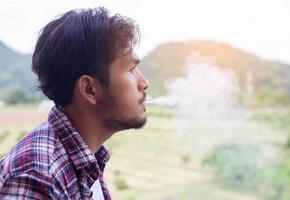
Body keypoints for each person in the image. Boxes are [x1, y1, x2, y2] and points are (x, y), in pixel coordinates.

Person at [0, 7, 149, 200]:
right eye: (131, 69)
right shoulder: (37, 176)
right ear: (89, 89)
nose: (144, 83)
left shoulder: (85, 160)